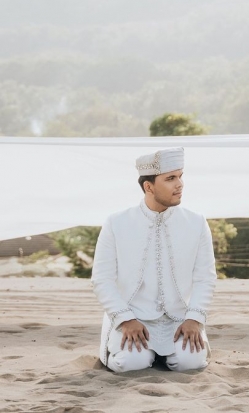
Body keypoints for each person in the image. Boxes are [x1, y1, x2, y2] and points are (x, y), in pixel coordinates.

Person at [91, 147, 217, 372]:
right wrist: (126, 320)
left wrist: (194, 319)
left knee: (191, 363)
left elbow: (205, 278)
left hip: (180, 320)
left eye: (180, 176)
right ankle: (143, 352)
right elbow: (102, 280)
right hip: (134, 319)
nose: (180, 184)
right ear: (148, 187)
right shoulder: (116, 223)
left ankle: (165, 353)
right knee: (130, 364)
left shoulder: (196, 223)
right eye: (170, 178)